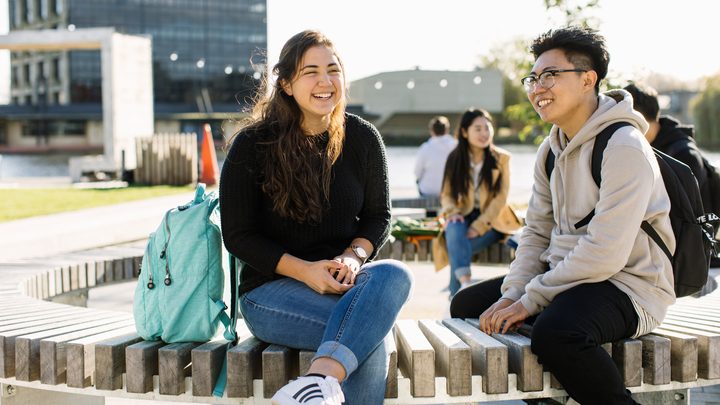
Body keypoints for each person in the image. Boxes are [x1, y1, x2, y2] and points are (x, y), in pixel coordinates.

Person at [451, 26, 675, 405]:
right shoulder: (550, 150)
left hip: (631, 286)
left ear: (588, 80)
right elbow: (536, 232)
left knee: (556, 332)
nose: (538, 88)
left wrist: (530, 300)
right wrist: (513, 294)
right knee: (467, 306)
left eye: (551, 75)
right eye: (533, 78)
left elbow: (605, 252)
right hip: (572, 278)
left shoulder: (623, 146)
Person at [219, 30, 413, 405]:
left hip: (345, 284)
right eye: (311, 72)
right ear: (288, 84)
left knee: (395, 275)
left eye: (333, 70)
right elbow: (239, 236)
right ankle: (319, 385)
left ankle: (316, 385)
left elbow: (378, 216)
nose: (325, 82)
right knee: (368, 338)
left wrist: (351, 258)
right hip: (271, 292)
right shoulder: (253, 145)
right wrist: (306, 271)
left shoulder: (363, 138)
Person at [437, 108, 515, 297]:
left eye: (487, 128)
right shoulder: (455, 158)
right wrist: (453, 212)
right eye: (478, 129)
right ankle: (465, 284)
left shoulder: (502, 159)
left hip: (493, 222)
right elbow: (446, 195)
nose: (484, 133)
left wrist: (479, 227)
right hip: (464, 216)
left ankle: (457, 295)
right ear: (464, 132)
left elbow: (500, 199)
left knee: (456, 245)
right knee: (454, 227)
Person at [624, 82, 712, 212]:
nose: (623, 132)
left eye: (626, 124)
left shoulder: (685, 155)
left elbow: (686, 212)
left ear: (639, 119)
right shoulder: (639, 148)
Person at [414, 115, 457, 197]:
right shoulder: (456, 145)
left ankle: (430, 210)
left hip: (428, 191)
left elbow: (417, 172)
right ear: (447, 130)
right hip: (451, 191)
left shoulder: (425, 147)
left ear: (432, 131)